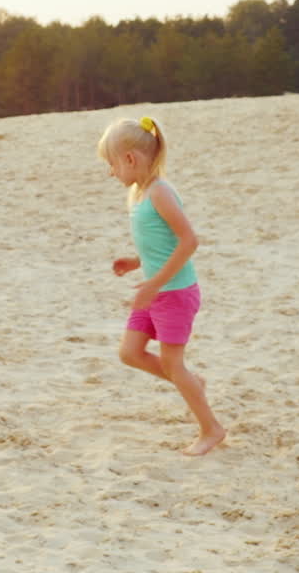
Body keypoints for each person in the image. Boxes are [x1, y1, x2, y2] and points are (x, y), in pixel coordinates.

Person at [98, 116, 226, 456]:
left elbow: (189, 241)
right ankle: (193, 384)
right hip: (155, 289)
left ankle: (211, 429)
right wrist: (136, 262)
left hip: (174, 293)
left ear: (130, 159)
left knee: (173, 364)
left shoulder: (161, 193)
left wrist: (153, 284)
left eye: (112, 165)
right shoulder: (140, 193)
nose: (111, 173)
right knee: (129, 353)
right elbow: (162, 243)